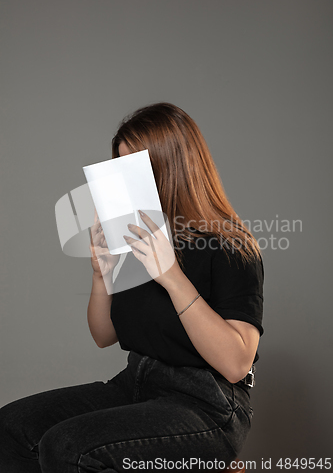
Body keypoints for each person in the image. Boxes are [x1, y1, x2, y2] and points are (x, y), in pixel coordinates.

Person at [0, 102, 264, 473]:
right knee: (10, 428)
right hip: (135, 385)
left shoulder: (230, 246)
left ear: (171, 168)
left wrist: (171, 275)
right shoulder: (139, 240)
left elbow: (237, 364)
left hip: (208, 404)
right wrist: (100, 274)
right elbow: (104, 335)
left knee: (68, 447)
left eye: (134, 169)